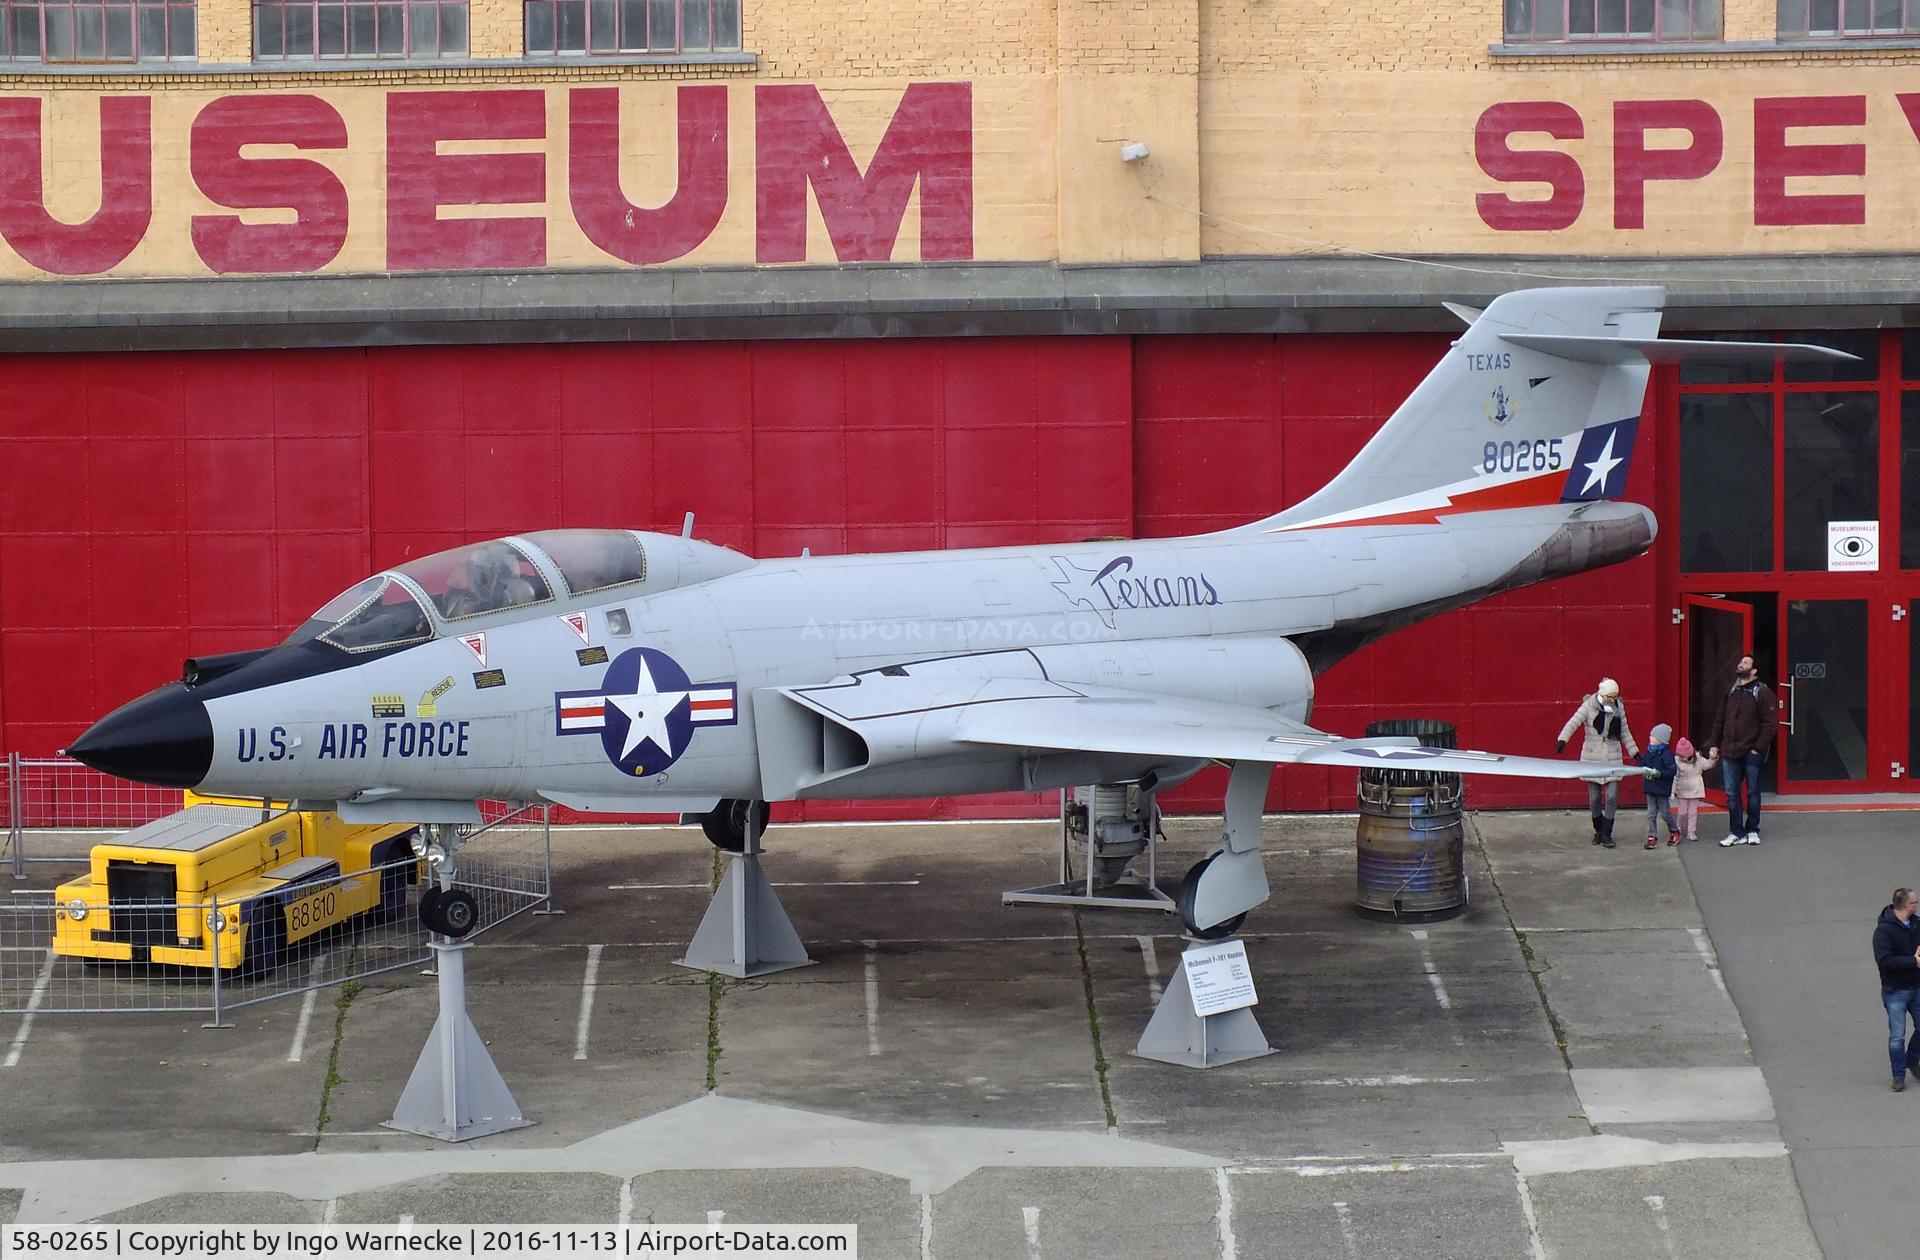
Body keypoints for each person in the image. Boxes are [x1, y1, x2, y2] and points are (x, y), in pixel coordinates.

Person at [1556, 677, 1639, 849]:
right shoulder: (1589, 705)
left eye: (1615, 696)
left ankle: (1606, 833)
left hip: (1613, 757)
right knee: (1594, 799)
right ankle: (1598, 830)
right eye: (1610, 696)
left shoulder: (1618, 707)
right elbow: (1573, 723)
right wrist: (1563, 740)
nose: (1613, 699)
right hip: (1591, 758)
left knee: (1611, 797)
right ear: (1602, 694)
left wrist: (1635, 752)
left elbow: (1625, 731)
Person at [1706, 653, 1779, 848]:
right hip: (1730, 751)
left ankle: (1753, 829)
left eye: (1745, 663)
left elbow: (1770, 724)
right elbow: (1720, 718)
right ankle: (1736, 831)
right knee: (1731, 793)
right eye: (1740, 662)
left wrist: (1758, 748)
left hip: (1751, 752)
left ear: (1754, 670)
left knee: (1753, 792)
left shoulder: (1762, 692)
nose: (1740, 664)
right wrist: (1714, 743)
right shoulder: (1731, 690)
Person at [1873, 887, 1920, 1091]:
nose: (1917, 905)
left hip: (1917, 986)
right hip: (1896, 991)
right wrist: (1913, 961)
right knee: (1897, 1036)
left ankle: (1912, 1059)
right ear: (1907, 906)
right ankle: (1898, 1075)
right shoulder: (1884, 931)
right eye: (1915, 902)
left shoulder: (1916, 924)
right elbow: (1884, 961)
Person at [1670, 737, 1718, 843]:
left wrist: (1712, 758)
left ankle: (1691, 831)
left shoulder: (1698, 759)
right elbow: (1675, 777)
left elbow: (1707, 765)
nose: (1683, 758)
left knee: (1693, 812)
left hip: (1695, 789)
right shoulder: (1677, 762)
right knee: (1682, 812)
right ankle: (1678, 827)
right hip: (1682, 789)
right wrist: (1673, 791)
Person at [1640, 723, 1677, 848]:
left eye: (1653, 736)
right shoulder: (1649, 751)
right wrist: (1644, 769)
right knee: (1651, 813)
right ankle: (1652, 836)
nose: (1650, 738)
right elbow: (1644, 763)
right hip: (1650, 787)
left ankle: (1674, 830)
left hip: (1661, 789)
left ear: (1660, 739)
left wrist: (1659, 774)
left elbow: (1672, 771)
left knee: (1665, 812)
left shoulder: (1666, 754)